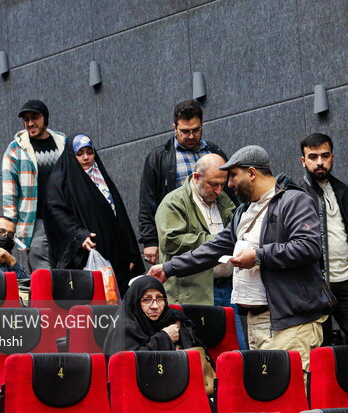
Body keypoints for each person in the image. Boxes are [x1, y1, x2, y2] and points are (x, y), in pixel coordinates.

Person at [149, 145, 331, 371]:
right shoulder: (243, 212)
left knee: (291, 397)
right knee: (267, 398)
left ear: (252, 173)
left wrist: (258, 256)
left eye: (234, 175)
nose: (230, 184)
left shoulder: (293, 201)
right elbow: (213, 248)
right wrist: (169, 267)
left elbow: (309, 246)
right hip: (255, 323)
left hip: (291, 324)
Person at [44, 134, 144, 295]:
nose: (86, 157)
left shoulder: (100, 175)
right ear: (71, 155)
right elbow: (56, 213)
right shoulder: (59, 181)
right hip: (86, 253)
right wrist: (78, 235)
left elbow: (119, 214)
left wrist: (131, 252)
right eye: (80, 153)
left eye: (89, 152)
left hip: (114, 250)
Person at [139, 99, 233, 264]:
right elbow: (148, 201)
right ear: (174, 128)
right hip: (180, 229)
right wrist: (150, 241)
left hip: (215, 225)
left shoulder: (214, 152)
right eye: (185, 131)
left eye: (196, 130)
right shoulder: (160, 158)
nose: (191, 136)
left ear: (202, 125)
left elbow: (230, 192)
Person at [299, 133, 348, 344]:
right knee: (321, 342)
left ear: (333, 157)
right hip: (316, 281)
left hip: (347, 278)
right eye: (313, 156)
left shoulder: (342, 189)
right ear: (303, 160)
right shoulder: (298, 193)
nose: (320, 162)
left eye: (325, 155)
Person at [155, 154, 235, 305]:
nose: (218, 190)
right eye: (213, 184)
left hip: (227, 287)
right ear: (196, 177)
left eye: (222, 185)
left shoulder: (223, 200)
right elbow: (170, 241)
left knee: (233, 329)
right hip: (192, 293)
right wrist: (219, 242)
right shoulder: (173, 202)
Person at [2, 99, 67, 271]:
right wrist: (10, 226)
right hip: (35, 222)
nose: (30, 123)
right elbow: (10, 192)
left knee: (69, 268)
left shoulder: (63, 143)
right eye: (26, 120)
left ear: (45, 118)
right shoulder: (15, 149)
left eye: (35, 118)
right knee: (42, 272)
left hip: (65, 218)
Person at [103, 276, 201, 356]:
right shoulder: (123, 328)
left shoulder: (172, 319)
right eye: (146, 299)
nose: (155, 306)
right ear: (135, 303)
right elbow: (126, 364)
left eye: (159, 298)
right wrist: (165, 338)